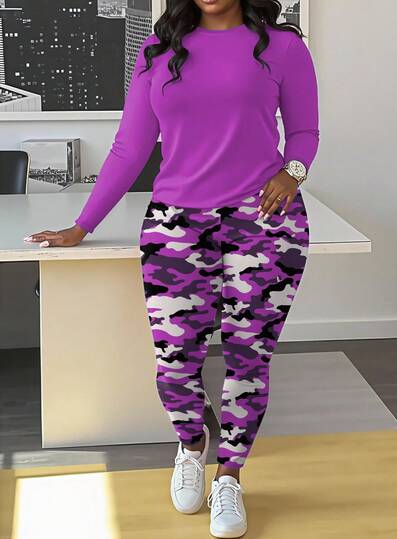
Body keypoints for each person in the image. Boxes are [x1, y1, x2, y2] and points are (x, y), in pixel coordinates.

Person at [24, 0, 319, 537]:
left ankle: (229, 476)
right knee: (175, 360)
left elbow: (305, 131)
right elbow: (129, 147)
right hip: (176, 224)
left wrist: (293, 173)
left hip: (265, 222)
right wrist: (83, 225)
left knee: (248, 360)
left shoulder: (283, 46)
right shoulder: (159, 50)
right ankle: (190, 446)